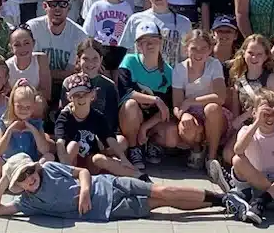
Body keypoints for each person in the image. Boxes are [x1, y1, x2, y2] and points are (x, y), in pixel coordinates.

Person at [0, 151, 248, 222]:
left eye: (30, 171)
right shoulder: (28, 203)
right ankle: (222, 204)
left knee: (161, 190)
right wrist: (2, 182)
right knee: (165, 203)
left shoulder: (50, 169)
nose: (30, 178)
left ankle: (222, 198)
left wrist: (86, 191)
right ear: (18, 186)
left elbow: (82, 173)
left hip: (109, 183)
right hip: (110, 210)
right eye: (23, 178)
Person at [211, 89, 274, 223]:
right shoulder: (247, 130)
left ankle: (264, 199)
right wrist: (256, 123)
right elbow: (238, 150)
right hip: (253, 185)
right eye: (265, 113)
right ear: (254, 113)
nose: (269, 117)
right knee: (237, 159)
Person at [116, 23, 179, 170]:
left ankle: (151, 142)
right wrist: (155, 99)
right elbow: (125, 92)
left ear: (161, 42)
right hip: (131, 116)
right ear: (138, 46)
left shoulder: (169, 72)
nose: (149, 45)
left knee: (171, 137)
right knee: (130, 105)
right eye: (144, 41)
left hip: (152, 121)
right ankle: (134, 147)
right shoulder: (129, 61)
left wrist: (145, 127)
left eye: (154, 40)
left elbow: (167, 108)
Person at [54, 71, 137, 176]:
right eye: (76, 95)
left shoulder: (98, 116)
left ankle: (136, 175)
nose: (81, 98)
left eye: (85, 94)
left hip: (90, 162)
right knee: (73, 145)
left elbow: (109, 139)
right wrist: (63, 165)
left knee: (100, 158)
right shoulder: (64, 116)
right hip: (71, 164)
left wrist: (123, 158)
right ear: (69, 97)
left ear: (92, 95)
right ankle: (65, 176)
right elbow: (60, 143)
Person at [172, 27, 228, 171]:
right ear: (186, 49)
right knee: (186, 125)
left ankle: (212, 158)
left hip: (212, 113)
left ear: (210, 49)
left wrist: (191, 100)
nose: (199, 53)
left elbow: (220, 97)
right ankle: (197, 149)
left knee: (213, 108)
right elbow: (177, 104)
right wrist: (184, 115)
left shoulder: (214, 65)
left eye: (203, 48)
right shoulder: (179, 69)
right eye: (194, 48)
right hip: (191, 112)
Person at [26, 0, 87, 100]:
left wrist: (43, 72)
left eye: (62, 4)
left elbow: (70, 73)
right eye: (53, 4)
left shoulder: (80, 34)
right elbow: (27, 68)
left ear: (68, 7)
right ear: (45, 6)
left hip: (67, 87)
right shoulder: (32, 28)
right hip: (36, 86)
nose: (57, 8)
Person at [123, 0, 193, 66]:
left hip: (171, 77)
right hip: (140, 76)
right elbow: (125, 51)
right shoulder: (135, 19)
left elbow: (186, 56)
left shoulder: (183, 22)